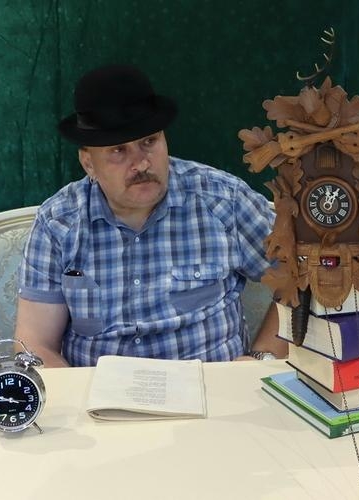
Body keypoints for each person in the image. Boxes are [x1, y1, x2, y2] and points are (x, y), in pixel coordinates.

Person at [14, 64, 286, 367]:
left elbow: (303, 281)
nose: (141, 164)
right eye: (118, 150)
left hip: (213, 388)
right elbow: (35, 343)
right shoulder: (58, 223)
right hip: (98, 392)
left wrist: (263, 357)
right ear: (88, 163)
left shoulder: (224, 201)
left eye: (149, 142)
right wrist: (78, 396)